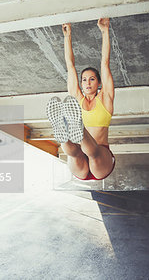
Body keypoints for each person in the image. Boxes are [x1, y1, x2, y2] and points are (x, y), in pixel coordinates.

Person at [46, 18, 115, 180]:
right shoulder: (77, 99)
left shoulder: (105, 97)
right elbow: (70, 66)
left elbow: (105, 63)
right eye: (84, 79)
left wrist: (105, 31)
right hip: (80, 162)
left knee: (94, 152)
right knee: (75, 153)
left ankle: (75, 127)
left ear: (99, 82)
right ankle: (64, 131)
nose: (87, 82)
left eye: (92, 79)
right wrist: (67, 36)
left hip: (100, 160)